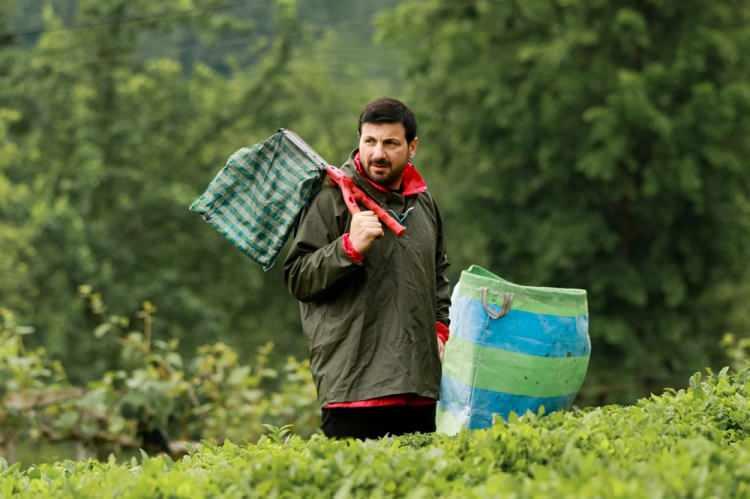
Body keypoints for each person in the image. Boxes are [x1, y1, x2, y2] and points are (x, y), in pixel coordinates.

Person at [283, 97, 451, 439]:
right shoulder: (330, 197)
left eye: (390, 143)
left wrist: (440, 329)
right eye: (369, 141)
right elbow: (298, 277)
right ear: (359, 139)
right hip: (355, 391)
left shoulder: (424, 204)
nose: (378, 153)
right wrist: (348, 248)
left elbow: (438, 275)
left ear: (412, 146)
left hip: (421, 390)